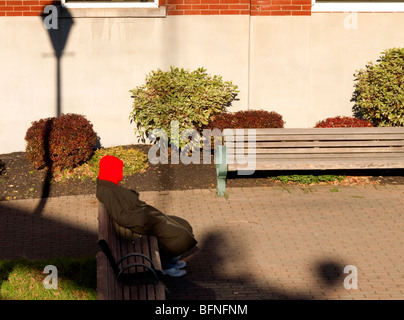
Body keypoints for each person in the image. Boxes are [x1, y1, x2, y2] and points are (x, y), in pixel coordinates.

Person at [96, 154, 198, 277]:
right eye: (118, 170)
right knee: (177, 234)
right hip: (140, 222)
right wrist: (145, 219)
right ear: (110, 170)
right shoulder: (107, 191)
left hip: (142, 216)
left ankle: (171, 261)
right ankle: (167, 266)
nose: (121, 173)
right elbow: (121, 217)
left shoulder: (108, 185)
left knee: (182, 224)